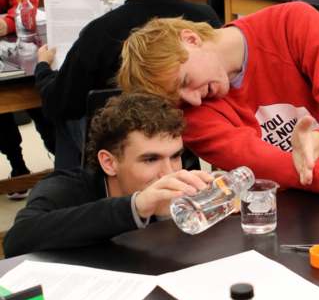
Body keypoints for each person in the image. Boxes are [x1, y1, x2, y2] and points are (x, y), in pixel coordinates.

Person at [117, 2, 319, 195]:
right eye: (180, 99)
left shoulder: (291, 24)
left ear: (191, 39)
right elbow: (270, 165)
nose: (193, 101)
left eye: (185, 81)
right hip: (275, 212)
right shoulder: (193, 115)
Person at [35, 0, 221, 168]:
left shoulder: (99, 33)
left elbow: (59, 102)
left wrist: (43, 69)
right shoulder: (203, 20)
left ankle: (76, 189)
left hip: (124, 155)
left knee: (66, 114)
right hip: (187, 141)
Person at [3, 92, 212, 258]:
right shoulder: (66, 189)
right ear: (109, 163)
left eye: (175, 156)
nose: (169, 172)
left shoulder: (184, 182)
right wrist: (135, 207)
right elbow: (16, 241)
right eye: (150, 159)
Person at [0, 0, 55, 196]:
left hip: (17, 40)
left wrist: (6, 22)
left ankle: (60, 162)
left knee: (38, 99)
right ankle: (17, 166)